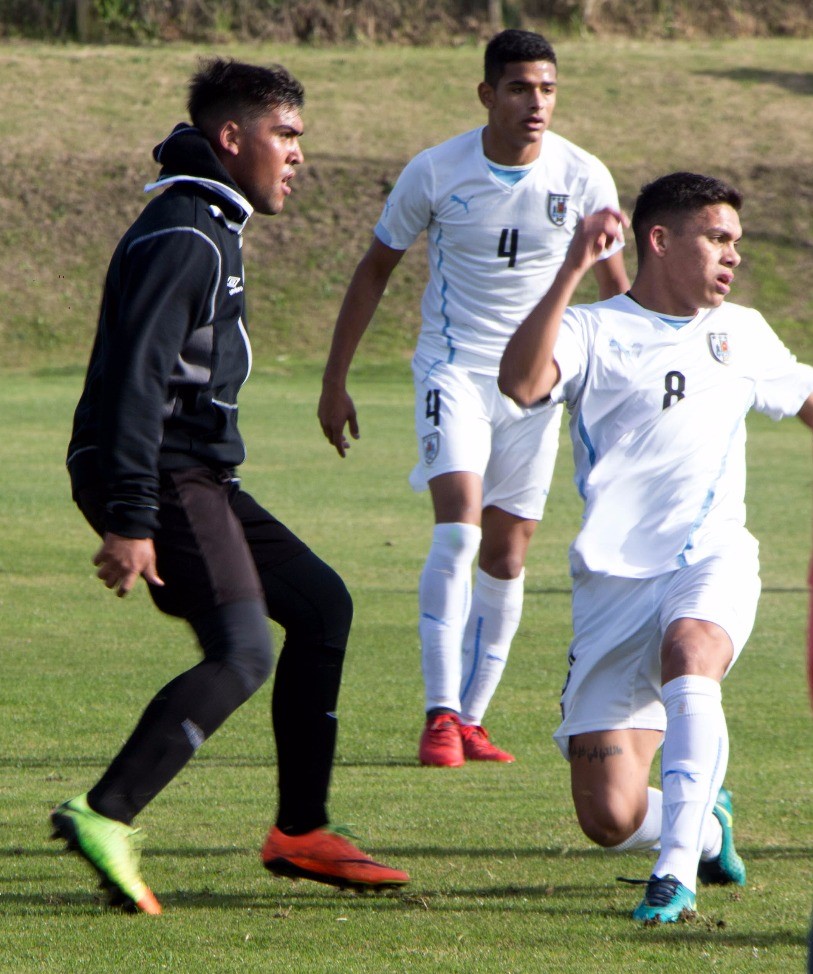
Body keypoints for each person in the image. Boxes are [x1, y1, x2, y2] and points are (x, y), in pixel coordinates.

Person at [51, 57, 409, 915]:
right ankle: (106, 813)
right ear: (231, 137)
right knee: (244, 653)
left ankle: (300, 829)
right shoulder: (184, 232)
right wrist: (132, 518)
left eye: (299, 138)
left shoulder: (209, 221)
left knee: (321, 605)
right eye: (285, 136)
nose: (297, 156)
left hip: (192, 472)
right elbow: (137, 383)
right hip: (163, 474)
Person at [499, 171, 813, 922]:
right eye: (715, 237)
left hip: (708, 560)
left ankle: (673, 877)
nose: (731, 254)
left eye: (735, 241)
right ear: (660, 240)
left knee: (691, 650)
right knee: (607, 817)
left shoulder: (742, 331)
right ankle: (702, 827)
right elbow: (518, 381)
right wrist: (571, 267)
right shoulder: (591, 329)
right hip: (609, 587)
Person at [317, 29, 629, 768]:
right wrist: (334, 381)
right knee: (456, 528)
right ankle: (438, 713)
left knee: (509, 550)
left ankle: (474, 719)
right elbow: (374, 270)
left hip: (539, 385)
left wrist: (620, 398)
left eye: (547, 88)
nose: (536, 102)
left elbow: (619, 297)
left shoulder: (583, 176)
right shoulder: (435, 170)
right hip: (453, 373)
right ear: (487, 94)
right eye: (519, 87)